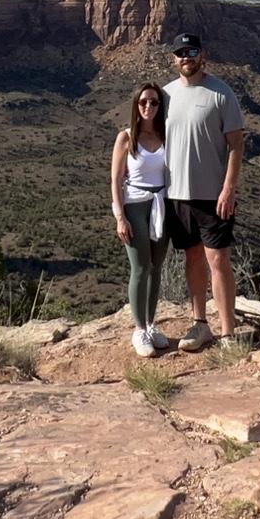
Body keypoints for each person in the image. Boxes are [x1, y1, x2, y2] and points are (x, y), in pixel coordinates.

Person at [163, 32, 245, 351]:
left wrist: (229, 188)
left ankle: (228, 334)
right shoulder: (165, 95)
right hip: (177, 194)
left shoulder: (221, 93)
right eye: (181, 52)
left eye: (192, 51)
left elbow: (236, 144)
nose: (186, 57)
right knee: (193, 257)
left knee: (218, 260)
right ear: (174, 58)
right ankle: (200, 324)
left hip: (213, 194)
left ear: (202, 55)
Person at [110, 81, 172, 358]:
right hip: (135, 205)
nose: (149, 106)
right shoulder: (126, 137)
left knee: (156, 267)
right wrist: (120, 217)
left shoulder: (165, 135)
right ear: (136, 105)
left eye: (154, 102)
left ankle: (150, 323)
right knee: (140, 267)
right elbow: (115, 180)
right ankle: (139, 329)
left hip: (161, 204)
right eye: (144, 101)